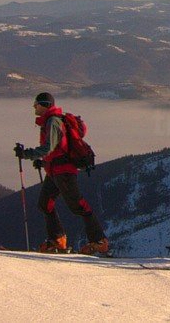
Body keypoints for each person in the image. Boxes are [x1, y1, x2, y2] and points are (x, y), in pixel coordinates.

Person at [15, 92, 108, 255]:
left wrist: (27, 154)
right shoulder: (51, 121)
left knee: (78, 205)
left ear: (44, 105)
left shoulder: (53, 122)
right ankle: (57, 240)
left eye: (36, 104)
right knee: (45, 203)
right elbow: (57, 149)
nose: (34, 106)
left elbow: (48, 148)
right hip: (55, 170)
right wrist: (44, 162)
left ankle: (99, 241)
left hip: (63, 172)